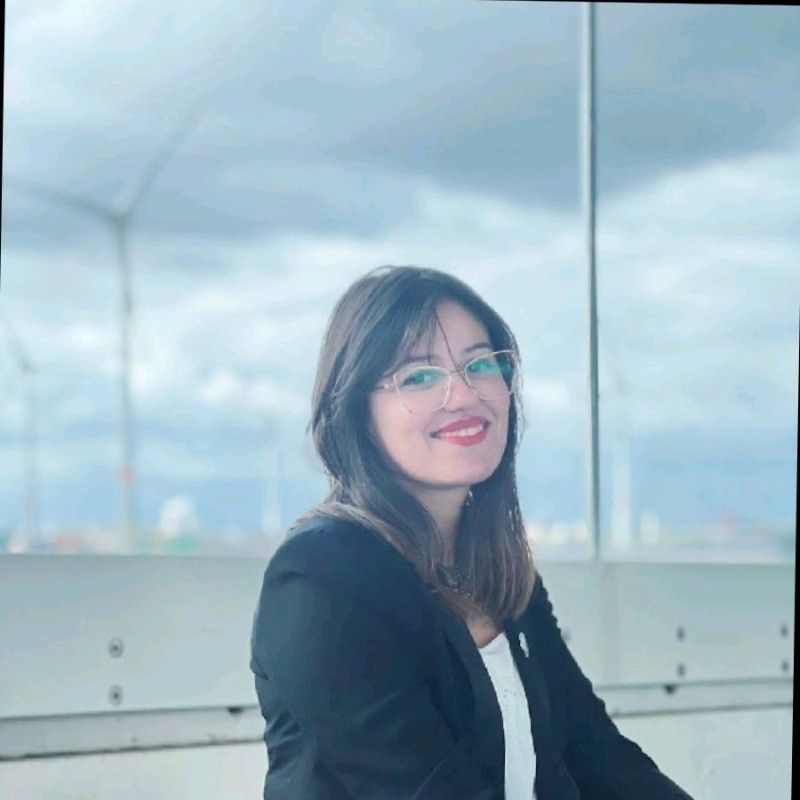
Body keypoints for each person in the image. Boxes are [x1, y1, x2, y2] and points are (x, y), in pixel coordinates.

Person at [250, 265, 694, 799]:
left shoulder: (499, 574)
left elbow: (594, 751)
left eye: (480, 365)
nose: (463, 395)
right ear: (356, 411)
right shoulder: (322, 578)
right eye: (419, 375)